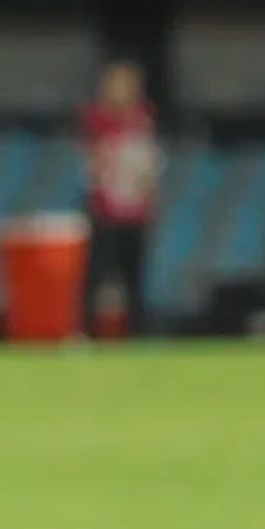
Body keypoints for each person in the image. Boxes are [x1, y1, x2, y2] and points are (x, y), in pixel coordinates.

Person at [80, 60, 160, 338]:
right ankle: (86, 333)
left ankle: (137, 333)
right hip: (106, 210)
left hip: (135, 212)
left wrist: (148, 193)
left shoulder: (143, 118)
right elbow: (93, 161)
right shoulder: (98, 119)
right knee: (96, 275)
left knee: (134, 277)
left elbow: (148, 164)